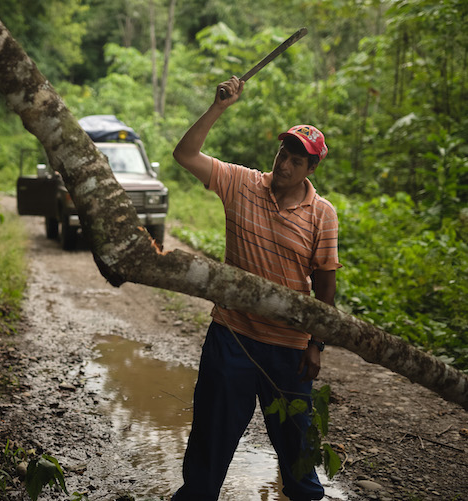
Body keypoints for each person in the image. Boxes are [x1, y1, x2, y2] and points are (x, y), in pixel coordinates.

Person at [170, 76, 341, 501]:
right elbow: (184, 154)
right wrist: (218, 107)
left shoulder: (322, 214)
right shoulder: (241, 184)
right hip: (232, 339)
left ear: (311, 169)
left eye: (297, 161)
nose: (285, 164)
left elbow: (325, 283)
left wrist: (317, 343)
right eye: (284, 153)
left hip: (289, 350)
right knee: (209, 446)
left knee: (298, 455)